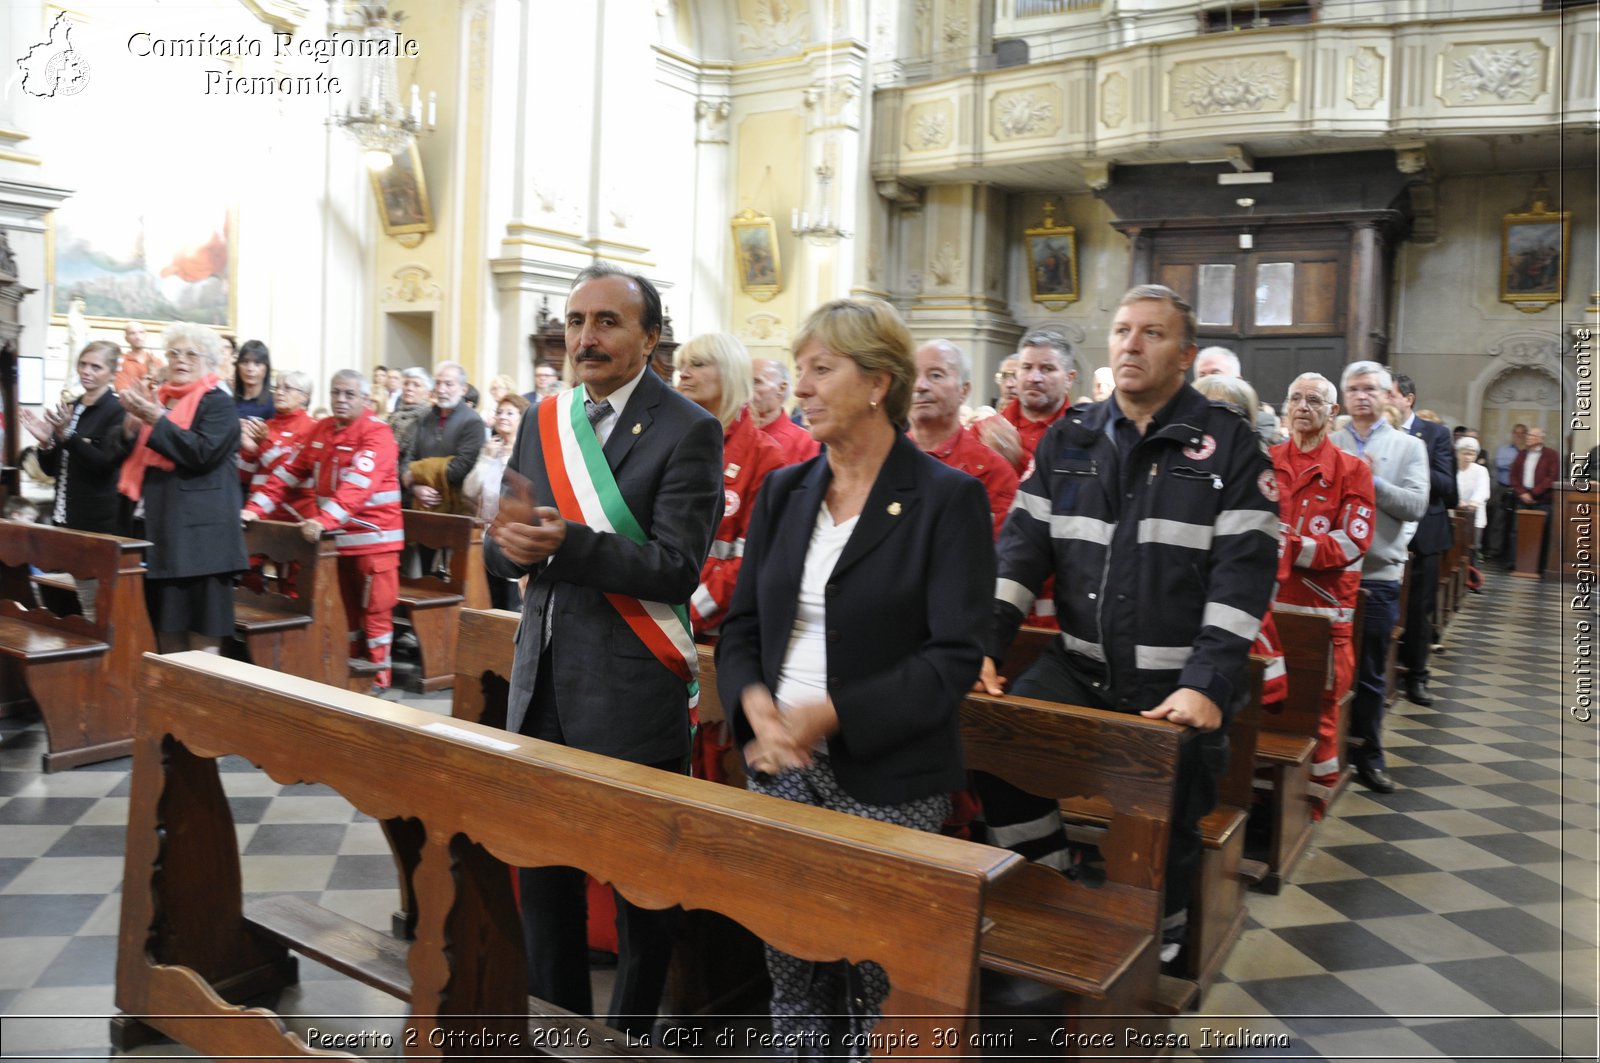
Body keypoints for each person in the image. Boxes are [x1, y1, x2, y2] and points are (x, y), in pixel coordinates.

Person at [975, 285, 1279, 970]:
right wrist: (982, 645)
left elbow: (1243, 578)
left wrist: (1206, 683)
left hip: (1178, 680)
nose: (1132, 344)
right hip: (1080, 665)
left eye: (1152, 333)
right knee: (998, 747)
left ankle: (1161, 930)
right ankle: (1055, 881)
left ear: (1186, 354)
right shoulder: (1070, 436)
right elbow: (1020, 550)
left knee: (1165, 814)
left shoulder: (1230, 447)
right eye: (1121, 330)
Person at [717, 297, 993, 1049]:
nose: (800, 387)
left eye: (820, 370)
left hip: (891, 772)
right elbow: (742, 626)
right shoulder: (785, 491)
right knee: (793, 967)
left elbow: (952, 659)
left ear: (877, 382)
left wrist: (827, 714)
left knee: (883, 977)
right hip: (781, 765)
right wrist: (757, 708)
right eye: (799, 370)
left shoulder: (947, 499)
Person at [483, 264, 723, 1038]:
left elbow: (677, 567)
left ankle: (628, 1040)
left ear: (650, 337)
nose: (586, 336)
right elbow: (509, 550)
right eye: (578, 321)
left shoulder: (688, 428)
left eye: (608, 322)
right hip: (541, 678)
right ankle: (555, 1032)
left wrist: (572, 544)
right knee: (542, 877)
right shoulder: (544, 418)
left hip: (629, 685)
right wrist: (509, 550)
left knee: (638, 886)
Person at [243, 371, 405, 692]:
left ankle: (378, 675)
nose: (340, 400)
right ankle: (350, 665)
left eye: (348, 394)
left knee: (375, 609)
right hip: (335, 541)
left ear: (365, 400)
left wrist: (323, 520)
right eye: (335, 393)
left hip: (374, 540)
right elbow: (288, 472)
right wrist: (254, 509)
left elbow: (358, 484)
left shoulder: (378, 433)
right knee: (344, 608)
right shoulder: (324, 429)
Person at [1270, 373, 1375, 809]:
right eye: (1295, 398)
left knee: (1320, 713)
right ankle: (1258, 795)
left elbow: (1351, 542)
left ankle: (1309, 805)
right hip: (1266, 612)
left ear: (1333, 413)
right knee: (1262, 708)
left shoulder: (1353, 471)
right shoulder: (1266, 460)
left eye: (1314, 400)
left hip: (1322, 617)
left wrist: (1285, 546)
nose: (1303, 406)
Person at [116, 324, 247, 654]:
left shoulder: (218, 404)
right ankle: (175, 703)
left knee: (202, 638)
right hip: (164, 536)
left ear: (210, 361)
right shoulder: (161, 401)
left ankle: (204, 703)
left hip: (204, 544)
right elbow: (135, 458)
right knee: (167, 634)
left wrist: (156, 419)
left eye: (191, 353)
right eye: (174, 353)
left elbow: (201, 453)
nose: (181, 360)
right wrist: (133, 427)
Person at [1330, 362, 1428, 795]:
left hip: (1377, 575)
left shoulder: (1408, 447)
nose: (1361, 396)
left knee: (1369, 672)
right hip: (1328, 574)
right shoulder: (1329, 440)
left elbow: (1415, 505)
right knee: (1324, 670)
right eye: (1353, 389)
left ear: (1388, 394)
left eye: (1370, 388)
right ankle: (1325, 753)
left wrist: (1371, 480)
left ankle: (1369, 754)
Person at [675, 333, 786, 637]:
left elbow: (752, 560)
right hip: (660, 618)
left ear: (731, 373)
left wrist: (688, 614)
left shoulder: (765, 455)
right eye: (681, 365)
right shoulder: (669, 443)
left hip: (717, 630)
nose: (683, 373)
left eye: (697, 364)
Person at [23, 340, 130, 541]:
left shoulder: (118, 410)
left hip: (97, 518)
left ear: (113, 374)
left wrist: (69, 436)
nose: (86, 371)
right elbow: (50, 470)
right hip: (62, 512)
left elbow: (105, 465)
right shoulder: (70, 407)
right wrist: (46, 443)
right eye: (83, 364)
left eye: (96, 367)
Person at [1391, 373, 1456, 705]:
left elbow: (1447, 488)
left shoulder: (1435, 434)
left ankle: (1417, 676)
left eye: (1389, 395)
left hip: (1424, 534)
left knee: (1419, 611)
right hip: (1384, 531)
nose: (1383, 401)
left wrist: (1411, 462)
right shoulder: (1374, 433)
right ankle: (1385, 671)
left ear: (1408, 398)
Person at [910, 339, 1018, 539]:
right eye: (913, 375)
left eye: (935, 375)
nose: (920, 386)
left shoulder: (993, 472)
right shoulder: (883, 457)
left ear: (964, 390)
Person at [462, 392, 531, 610]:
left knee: (512, 603)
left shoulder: (528, 452)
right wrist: (486, 458)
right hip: (485, 533)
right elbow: (470, 490)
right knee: (488, 601)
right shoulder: (490, 449)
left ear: (523, 418)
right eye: (500, 412)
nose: (503, 416)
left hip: (514, 535)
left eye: (510, 413)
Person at [401, 361, 483, 513]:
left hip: (455, 507)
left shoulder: (473, 421)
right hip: (421, 503)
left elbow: (461, 468)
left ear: (463, 389)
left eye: (448, 384)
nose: (441, 389)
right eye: (437, 383)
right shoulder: (426, 417)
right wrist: (415, 488)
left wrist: (415, 474)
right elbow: (409, 457)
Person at [238, 371, 319, 522]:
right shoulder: (266, 425)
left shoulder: (313, 428)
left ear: (304, 396)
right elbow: (244, 475)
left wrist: (263, 444)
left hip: (296, 516)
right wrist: (246, 448)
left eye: (287, 388)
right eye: (277, 388)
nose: (279, 393)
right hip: (259, 514)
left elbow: (290, 472)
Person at [996, 329, 1076, 479]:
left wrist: (1019, 460)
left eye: (1047, 369)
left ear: (1069, 379)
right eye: (1027, 367)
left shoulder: (1085, 437)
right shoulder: (987, 430)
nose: (1034, 378)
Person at [750, 357, 821, 466]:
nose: (746, 390)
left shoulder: (805, 444)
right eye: (742, 384)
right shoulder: (727, 435)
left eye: (755, 382)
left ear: (781, 388)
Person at [1507, 426, 1558, 571]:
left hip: (1542, 500)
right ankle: (1515, 563)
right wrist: (1522, 493)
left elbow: (1551, 478)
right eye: (1528, 435)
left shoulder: (1551, 455)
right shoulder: (1522, 454)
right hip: (1521, 498)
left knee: (1540, 533)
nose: (1528, 437)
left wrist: (1533, 493)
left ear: (1541, 438)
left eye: (1532, 435)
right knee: (1516, 532)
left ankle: (1538, 566)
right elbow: (1513, 476)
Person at [1485, 422, 1526, 559]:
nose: (1518, 436)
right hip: (1503, 488)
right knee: (1498, 520)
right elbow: (1500, 464)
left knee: (1518, 522)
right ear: (1513, 434)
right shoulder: (1504, 449)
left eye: (1522, 434)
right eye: (1516, 433)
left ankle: (1513, 554)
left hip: (1521, 490)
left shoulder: (1528, 451)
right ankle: (1494, 550)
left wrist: (1513, 465)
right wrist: (1517, 465)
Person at [388, 367, 433, 459]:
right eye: (406, 383)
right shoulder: (394, 415)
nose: (409, 388)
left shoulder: (428, 418)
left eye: (416, 385)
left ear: (428, 393)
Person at [113, 320, 165, 393]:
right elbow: (125, 394)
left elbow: (164, 389)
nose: (138, 337)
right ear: (126, 338)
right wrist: (149, 377)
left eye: (141, 332)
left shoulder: (156, 361)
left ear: (146, 335)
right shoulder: (121, 362)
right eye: (132, 333)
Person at [233, 339, 275, 421]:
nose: (250, 369)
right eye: (245, 362)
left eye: (257, 363)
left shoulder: (274, 404)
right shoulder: (229, 402)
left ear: (266, 368)